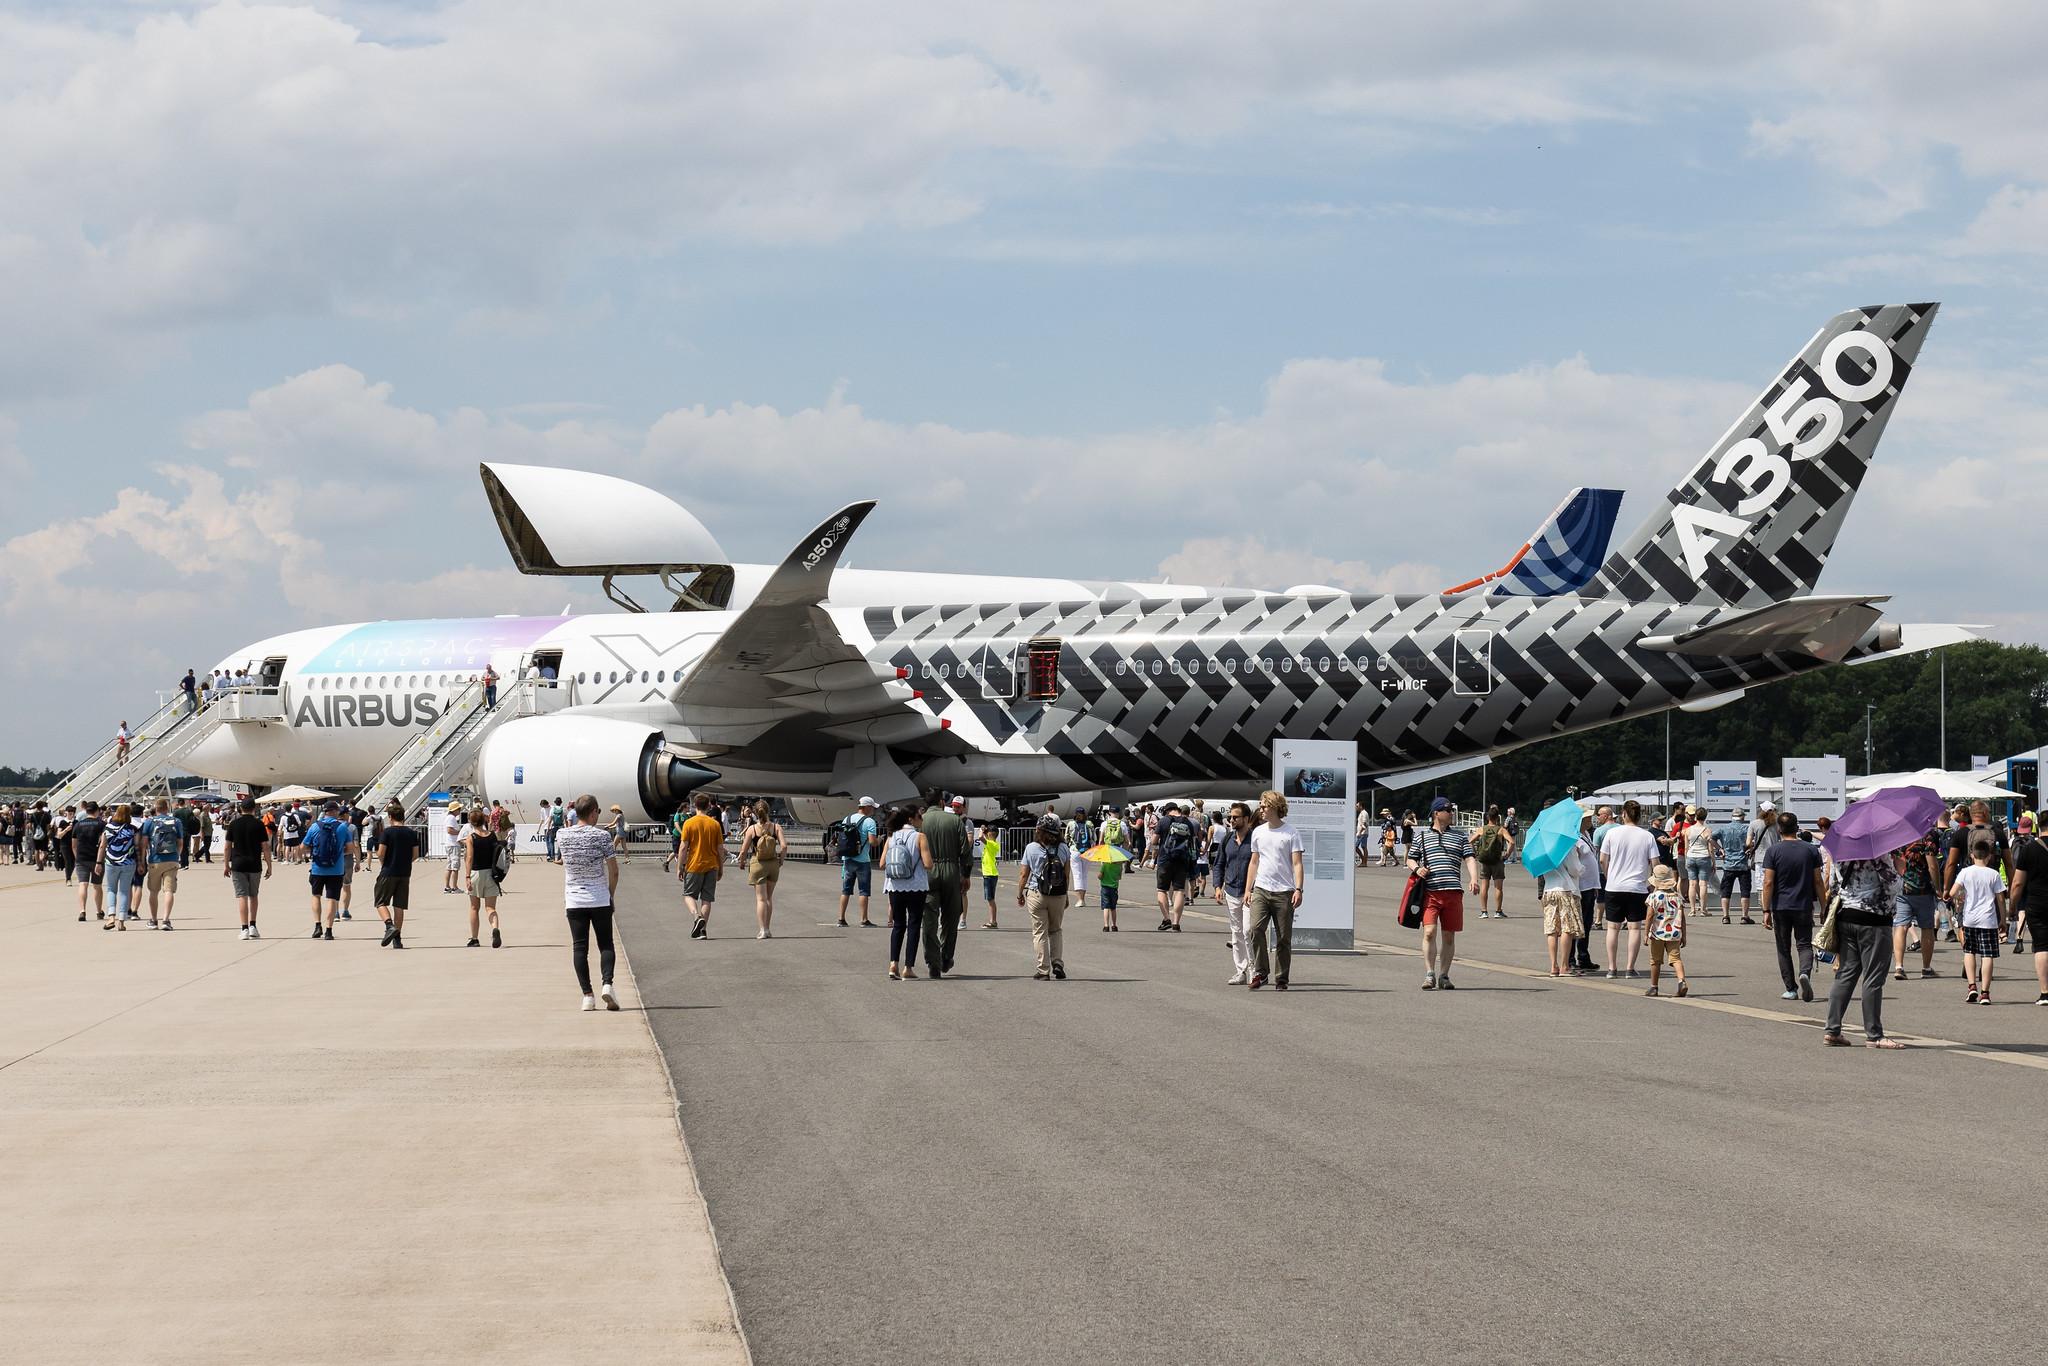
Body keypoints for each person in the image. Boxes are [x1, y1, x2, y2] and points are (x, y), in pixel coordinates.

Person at [1824, 852, 1906, 1048]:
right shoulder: (1879, 855)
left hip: (1847, 915)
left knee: (1846, 973)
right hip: (1874, 919)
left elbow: (1834, 885)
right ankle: (1874, 1034)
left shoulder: (1841, 854)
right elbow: (1893, 886)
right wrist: (1899, 869)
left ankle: (1832, 1029)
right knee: (1873, 977)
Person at [557, 794, 622, 1011]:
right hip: (599, 897)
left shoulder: (562, 834)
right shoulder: (602, 836)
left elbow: (564, 861)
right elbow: (614, 870)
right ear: (593, 811)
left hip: (575, 899)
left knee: (579, 948)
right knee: (605, 944)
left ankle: (587, 995)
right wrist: (610, 894)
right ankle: (607, 984)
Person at [1409, 796, 1476, 990]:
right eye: (1448, 810)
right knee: (1429, 932)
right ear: (1437, 813)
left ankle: (1444, 975)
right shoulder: (1421, 836)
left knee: (1449, 936)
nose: (1451, 813)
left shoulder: (1460, 836)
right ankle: (1430, 974)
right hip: (1431, 892)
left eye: (1452, 810)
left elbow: (1470, 858)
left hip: (1453, 892)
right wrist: (1417, 869)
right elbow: (1411, 859)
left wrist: (1473, 878)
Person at [1760, 811, 1826, 1002]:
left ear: (1779, 828)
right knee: (1804, 944)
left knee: (1783, 947)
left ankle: (1791, 989)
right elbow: (1818, 881)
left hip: (1781, 907)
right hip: (1804, 905)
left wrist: (1766, 910)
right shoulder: (1810, 850)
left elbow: (1768, 883)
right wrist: (1824, 906)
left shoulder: (1773, 851)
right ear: (1797, 827)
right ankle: (1804, 972)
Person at [1243, 790, 1306, 991]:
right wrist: (1248, 889)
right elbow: (1254, 862)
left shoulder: (1291, 833)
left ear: (1275, 807)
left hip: (1284, 891)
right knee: (1254, 929)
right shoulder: (1258, 832)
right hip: (1261, 888)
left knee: (1283, 938)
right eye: (1261, 806)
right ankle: (1261, 973)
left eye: (1264, 806)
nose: (1261, 810)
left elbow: (1297, 864)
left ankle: (1281, 978)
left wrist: (1298, 889)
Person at [1597, 800, 1658, 980]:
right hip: (1637, 887)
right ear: (1640, 816)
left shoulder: (1612, 833)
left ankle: (1612, 968)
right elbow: (1655, 863)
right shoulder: (1647, 836)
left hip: (1614, 886)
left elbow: (1602, 859)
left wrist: (1609, 875)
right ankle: (1630, 968)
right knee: (1634, 928)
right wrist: (1653, 884)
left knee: (1613, 928)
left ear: (1623, 814)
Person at [920, 792, 972, 977]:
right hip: (951, 870)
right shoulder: (955, 820)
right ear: (942, 802)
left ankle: (932, 961)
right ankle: (946, 956)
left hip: (927, 871)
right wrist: (965, 874)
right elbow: (965, 850)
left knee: (929, 918)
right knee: (951, 916)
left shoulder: (921, 821)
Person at [1017, 813, 1071, 981]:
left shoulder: (1031, 848)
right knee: (1055, 929)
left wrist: (1020, 893)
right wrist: (1066, 894)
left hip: (1037, 893)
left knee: (1040, 932)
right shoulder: (1063, 848)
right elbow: (1067, 875)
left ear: (1039, 831)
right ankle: (1057, 962)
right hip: (1058, 894)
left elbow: (1024, 875)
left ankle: (1043, 970)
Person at [1954, 839, 2007, 1005]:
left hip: (1970, 918)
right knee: (1988, 955)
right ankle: (1985, 992)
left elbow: (1955, 892)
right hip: (1988, 920)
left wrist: (1958, 899)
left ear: (1971, 855)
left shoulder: (1965, 872)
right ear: (1990, 856)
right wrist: (2003, 919)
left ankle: (1971, 986)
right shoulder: (1994, 874)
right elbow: (2000, 898)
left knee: (1969, 952)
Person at [881, 806, 931, 980]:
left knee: (898, 925)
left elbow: (881, 863)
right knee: (914, 925)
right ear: (911, 819)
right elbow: (928, 863)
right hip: (916, 885)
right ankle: (908, 967)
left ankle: (893, 963)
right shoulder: (919, 837)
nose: (921, 819)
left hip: (894, 885)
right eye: (919, 816)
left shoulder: (891, 836)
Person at [1536, 819, 1587, 977]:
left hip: (1549, 889)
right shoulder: (1566, 846)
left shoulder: (1543, 848)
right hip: (1566, 889)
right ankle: (1565, 965)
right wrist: (1582, 865)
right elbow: (1575, 869)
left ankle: (1553, 966)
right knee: (1567, 928)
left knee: (1551, 928)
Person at [1892, 824, 1944, 980]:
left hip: (1903, 889)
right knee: (1927, 928)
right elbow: (1932, 865)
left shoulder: (1898, 833)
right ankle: (1926, 968)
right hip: (1924, 889)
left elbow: (1896, 861)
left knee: (1901, 926)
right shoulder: (1928, 835)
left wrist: (1904, 879)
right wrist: (1937, 887)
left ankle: (1899, 966)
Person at [1213, 803, 1256, 982]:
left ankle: (1255, 970)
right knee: (1236, 932)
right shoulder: (1228, 839)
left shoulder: (1255, 839)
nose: (1231, 820)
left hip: (1251, 893)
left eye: (1235, 817)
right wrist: (1217, 886)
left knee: (1248, 931)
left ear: (1246, 819)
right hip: (1231, 890)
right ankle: (1241, 971)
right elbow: (1219, 864)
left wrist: (1253, 888)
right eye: (1230, 817)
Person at [2007, 826, 2048, 1006]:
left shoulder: (2029, 849)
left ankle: (2045, 993)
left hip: (2037, 902)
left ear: (2039, 828)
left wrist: (2013, 906)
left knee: (2041, 946)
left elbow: (2017, 883)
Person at [222, 796, 271, 938]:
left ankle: (243, 928)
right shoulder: (259, 824)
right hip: (255, 864)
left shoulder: (234, 824)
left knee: (241, 896)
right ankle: (253, 926)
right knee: (253, 895)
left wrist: (226, 865)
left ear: (240, 808)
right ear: (254, 808)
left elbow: (227, 847)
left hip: (238, 864)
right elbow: (266, 847)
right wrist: (269, 865)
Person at [676, 791, 723, 939]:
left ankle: (697, 917)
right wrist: (721, 867)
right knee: (707, 899)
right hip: (711, 865)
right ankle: (703, 930)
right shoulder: (715, 824)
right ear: (708, 806)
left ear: (694, 805)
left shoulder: (689, 823)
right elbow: (720, 849)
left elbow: (683, 847)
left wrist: (680, 867)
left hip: (694, 865)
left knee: (688, 895)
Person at [374, 803, 420, 949]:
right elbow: (416, 854)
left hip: (388, 871)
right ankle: (397, 939)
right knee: (399, 905)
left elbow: (381, 853)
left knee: (380, 902)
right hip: (405, 872)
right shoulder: (411, 833)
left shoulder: (387, 833)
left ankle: (389, 926)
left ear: (390, 817)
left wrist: (384, 862)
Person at [738, 799, 786, 939]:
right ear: (768, 811)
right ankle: (768, 928)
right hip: (772, 864)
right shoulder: (776, 827)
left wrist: (742, 863)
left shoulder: (752, 829)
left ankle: (762, 930)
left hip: (758, 863)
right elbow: (784, 846)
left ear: (755, 812)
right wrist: (780, 861)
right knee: (769, 898)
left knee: (760, 899)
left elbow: (744, 849)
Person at [304, 801, 351, 940]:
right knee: (332, 899)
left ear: (325, 812)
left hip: (317, 868)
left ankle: (317, 925)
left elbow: (304, 846)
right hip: (336, 869)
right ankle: (329, 931)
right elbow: (349, 848)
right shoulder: (343, 827)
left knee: (316, 896)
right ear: (335, 811)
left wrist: (311, 853)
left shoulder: (314, 826)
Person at [460, 806, 505, 948]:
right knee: (490, 908)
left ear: (471, 823)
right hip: (491, 874)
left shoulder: (471, 838)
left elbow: (469, 858)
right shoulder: (492, 835)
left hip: (476, 873)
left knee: (474, 907)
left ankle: (474, 938)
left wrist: (467, 876)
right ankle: (495, 928)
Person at [1643, 862, 1688, 997]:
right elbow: (1683, 918)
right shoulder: (1677, 896)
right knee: (1675, 959)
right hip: (1674, 933)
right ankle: (1681, 981)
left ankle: (1654, 987)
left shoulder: (1654, 897)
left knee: (1655, 961)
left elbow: (1650, 916)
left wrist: (1646, 933)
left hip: (1657, 933)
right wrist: (1684, 935)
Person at [139, 797, 185, 929]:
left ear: (156, 808)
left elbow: (144, 843)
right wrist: (177, 855)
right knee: (169, 891)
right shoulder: (176, 821)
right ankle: (166, 920)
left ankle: (153, 920)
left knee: (154, 891)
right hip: (172, 860)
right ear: (167, 808)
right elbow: (180, 843)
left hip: (155, 860)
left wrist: (143, 860)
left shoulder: (149, 822)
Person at [835, 796, 881, 928]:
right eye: (872, 807)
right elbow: (872, 842)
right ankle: (864, 919)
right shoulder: (869, 822)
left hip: (847, 859)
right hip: (862, 860)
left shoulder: (847, 819)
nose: (873, 810)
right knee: (864, 891)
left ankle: (841, 918)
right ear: (867, 807)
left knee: (846, 890)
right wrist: (880, 840)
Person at [1153, 801, 1198, 931]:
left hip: (1165, 859)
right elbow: (1192, 841)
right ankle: (1176, 923)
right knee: (1179, 890)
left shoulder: (1163, 821)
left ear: (1167, 811)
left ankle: (1166, 918)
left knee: (1162, 890)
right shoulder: (1187, 822)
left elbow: (1154, 841)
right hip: (1182, 859)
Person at [1712, 808, 1755, 924]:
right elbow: (1752, 842)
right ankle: (1744, 916)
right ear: (1743, 817)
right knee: (1745, 891)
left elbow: (1711, 838)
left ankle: (1725, 916)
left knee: (1726, 891)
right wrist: (1750, 848)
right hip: (1743, 865)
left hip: (1728, 865)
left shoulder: (1724, 828)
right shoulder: (1747, 829)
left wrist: (1720, 849)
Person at [101, 804, 140, 928]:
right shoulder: (133, 829)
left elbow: (102, 846)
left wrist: (98, 862)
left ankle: (111, 916)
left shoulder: (108, 827)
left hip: (111, 862)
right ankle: (121, 921)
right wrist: (141, 862)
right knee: (124, 891)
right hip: (128, 863)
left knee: (111, 889)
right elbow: (138, 846)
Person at [1471, 806, 1511, 919]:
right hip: (1497, 861)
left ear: (1488, 817)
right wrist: (1506, 855)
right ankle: (1498, 911)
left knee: (1484, 886)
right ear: (1497, 817)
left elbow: (1470, 841)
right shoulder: (1501, 829)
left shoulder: (1481, 829)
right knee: (1498, 887)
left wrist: (1476, 853)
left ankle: (1484, 911)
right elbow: (1511, 842)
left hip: (1484, 861)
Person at [71, 801, 106, 923]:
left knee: (83, 884)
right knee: (97, 886)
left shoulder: (78, 825)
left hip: (81, 858)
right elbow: (103, 843)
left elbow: (74, 845)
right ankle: (98, 911)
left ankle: (82, 911)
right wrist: (100, 861)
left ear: (86, 811)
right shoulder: (101, 824)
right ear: (97, 811)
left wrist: (77, 858)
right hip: (96, 858)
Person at [1681, 806, 1712, 913]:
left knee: (1692, 884)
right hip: (1703, 857)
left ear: (1696, 816)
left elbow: (1686, 847)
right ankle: (1703, 909)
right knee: (1703, 884)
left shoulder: (1688, 830)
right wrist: (1713, 862)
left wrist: (1686, 860)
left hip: (1690, 857)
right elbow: (1710, 848)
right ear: (1705, 817)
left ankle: (1692, 909)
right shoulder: (1707, 830)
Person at [979, 821, 1002, 929]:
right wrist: (985, 831)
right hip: (988, 874)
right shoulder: (991, 844)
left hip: (990, 874)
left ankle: (993, 921)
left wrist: (981, 830)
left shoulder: (992, 844)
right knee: (990, 899)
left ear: (990, 834)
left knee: (990, 899)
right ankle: (992, 920)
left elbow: (980, 838)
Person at [443, 803, 465, 893]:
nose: (460, 810)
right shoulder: (451, 818)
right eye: (459, 809)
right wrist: (460, 832)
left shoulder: (449, 817)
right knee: (455, 867)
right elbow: (450, 830)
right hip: (453, 845)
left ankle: (447, 887)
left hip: (450, 844)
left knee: (449, 867)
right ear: (455, 810)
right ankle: (454, 887)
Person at [546, 797, 565, 863]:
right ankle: (559, 857)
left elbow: (550, 819)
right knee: (560, 842)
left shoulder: (552, 809)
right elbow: (565, 819)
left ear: (555, 802)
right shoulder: (563, 809)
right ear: (561, 802)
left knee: (551, 841)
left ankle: (552, 857)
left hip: (554, 827)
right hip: (561, 827)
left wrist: (548, 829)